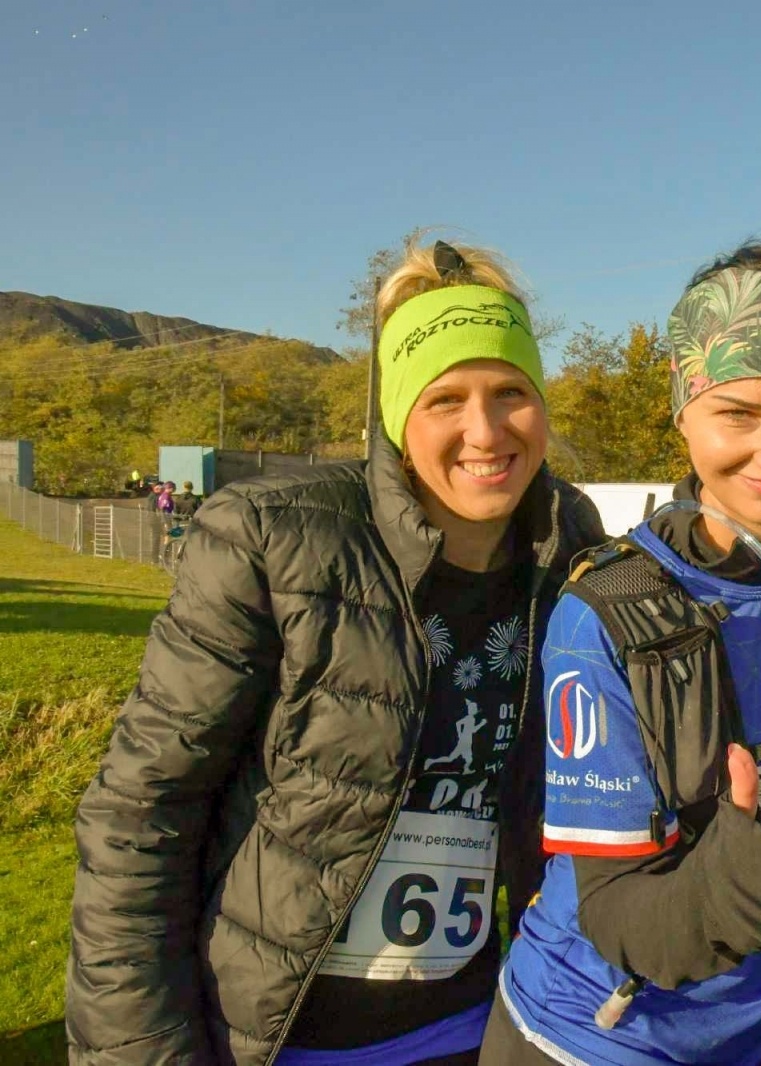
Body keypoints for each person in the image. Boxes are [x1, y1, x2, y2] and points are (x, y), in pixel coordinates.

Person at [66, 238, 606, 1066]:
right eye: (445, 399)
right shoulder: (272, 538)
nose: (485, 430)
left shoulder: (567, 540)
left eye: (511, 392)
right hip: (276, 1034)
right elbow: (141, 816)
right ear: (395, 415)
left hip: (481, 1027)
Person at [482, 235, 761, 1065]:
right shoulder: (608, 618)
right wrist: (739, 888)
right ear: (681, 409)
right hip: (594, 1041)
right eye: (737, 412)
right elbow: (614, 918)